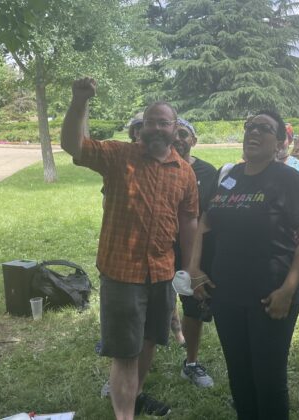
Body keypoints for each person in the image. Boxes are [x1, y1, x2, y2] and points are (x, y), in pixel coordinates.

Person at [61, 77, 198, 419]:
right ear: (140, 128)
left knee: (149, 341)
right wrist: (80, 102)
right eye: (149, 122)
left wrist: (191, 267)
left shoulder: (184, 173)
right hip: (122, 272)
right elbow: (73, 145)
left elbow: (189, 220)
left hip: (162, 272)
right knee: (125, 352)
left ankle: (133, 397)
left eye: (163, 123)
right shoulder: (118, 156)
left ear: (175, 129)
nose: (156, 128)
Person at [188, 110, 299, 419]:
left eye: (264, 128)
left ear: (279, 142)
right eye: (249, 127)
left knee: (269, 379)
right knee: (239, 375)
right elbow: (205, 222)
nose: (253, 132)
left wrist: (288, 290)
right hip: (226, 294)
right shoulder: (229, 175)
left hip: (269, 295)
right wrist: (194, 269)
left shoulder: (288, 179)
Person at [171, 117, 218, 388]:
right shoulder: (157, 166)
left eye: (184, 133)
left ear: (194, 140)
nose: (178, 138)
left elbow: (209, 218)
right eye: (173, 133)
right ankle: (126, 369)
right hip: (157, 249)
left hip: (194, 250)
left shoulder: (208, 173)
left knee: (193, 305)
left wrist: (196, 260)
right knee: (145, 304)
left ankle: (190, 363)